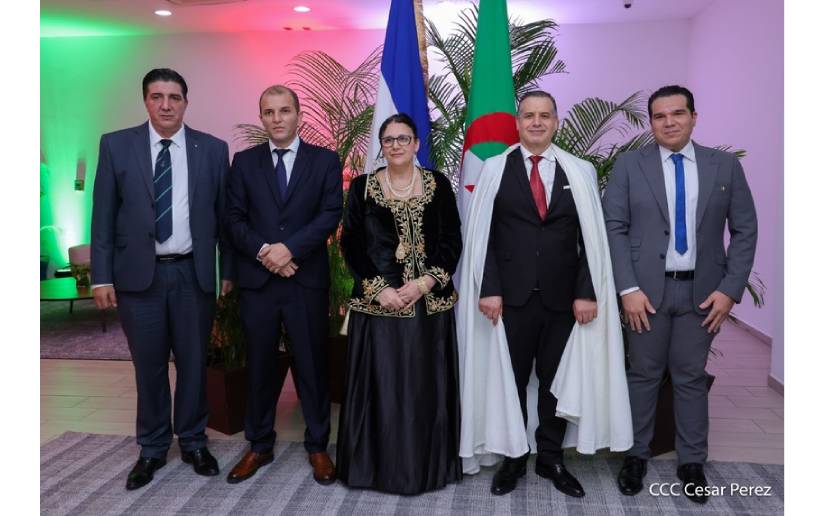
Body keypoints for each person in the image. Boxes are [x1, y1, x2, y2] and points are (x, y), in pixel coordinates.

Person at [456, 91, 633, 498]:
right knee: (510, 381)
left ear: (556, 122)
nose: (536, 122)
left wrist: (587, 292)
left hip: (564, 302)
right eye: (529, 116)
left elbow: (592, 240)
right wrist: (489, 289)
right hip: (508, 301)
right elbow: (483, 238)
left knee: (556, 382)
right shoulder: (495, 170)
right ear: (517, 123)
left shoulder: (581, 171)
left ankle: (550, 457)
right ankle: (514, 457)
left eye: (544, 116)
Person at [603, 85, 757, 504]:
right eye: (660, 116)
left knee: (690, 376)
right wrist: (627, 288)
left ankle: (691, 462)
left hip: (704, 294)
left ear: (693, 117)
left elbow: (745, 230)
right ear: (651, 122)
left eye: (678, 113)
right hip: (644, 294)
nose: (669, 122)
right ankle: (635, 455)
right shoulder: (629, 166)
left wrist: (730, 290)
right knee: (643, 374)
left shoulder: (724, 167)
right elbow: (614, 227)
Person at [90, 68, 234, 490]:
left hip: (193, 274)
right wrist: (101, 277)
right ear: (146, 101)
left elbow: (225, 218)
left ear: (186, 102)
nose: (166, 105)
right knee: (149, 367)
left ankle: (193, 441)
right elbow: (102, 215)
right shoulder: (116, 145)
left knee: (193, 364)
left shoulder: (212, 149)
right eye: (157, 97)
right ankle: (152, 448)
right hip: (139, 280)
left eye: (174, 97)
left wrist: (227, 271)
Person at [336, 113, 463, 495]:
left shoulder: (438, 184)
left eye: (403, 138)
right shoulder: (362, 188)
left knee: (424, 390)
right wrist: (379, 288)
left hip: (429, 306)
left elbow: (451, 240)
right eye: (388, 139)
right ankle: (376, 471)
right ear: (381, 145)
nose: (395, 145)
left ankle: (426, 469)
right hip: (379, 308)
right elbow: (351, 243)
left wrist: (425, 283)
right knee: (384, 389)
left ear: (416, 144)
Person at [224, 85, 343, 485]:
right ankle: (259, 445)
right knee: (259, 366)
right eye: (269, 111)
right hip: (259, 283)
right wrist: (265, 252)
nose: (277, 118)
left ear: (298, 115)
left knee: (312, 366)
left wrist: (289, 249)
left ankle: (318, 446)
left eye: (284, 110)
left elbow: (330, 213)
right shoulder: (244, 162)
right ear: (261, 117)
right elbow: (234, 218)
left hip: (305, 280)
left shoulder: (324, 160)